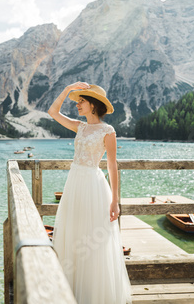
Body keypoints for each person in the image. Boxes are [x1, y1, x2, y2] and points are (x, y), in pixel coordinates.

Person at [48, 81, 132, 303]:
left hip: (94, 187)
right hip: (74, 184)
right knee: (72, 233)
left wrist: (115, 201)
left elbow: (112, 166)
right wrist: (67, 89)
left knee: (92, 240)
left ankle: (92, 296)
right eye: (78, 101)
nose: (78, 104)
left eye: (82, 101)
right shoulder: (80, 126)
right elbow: (52, 112)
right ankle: (70, 292)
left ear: (94, 105)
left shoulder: (108, 131)